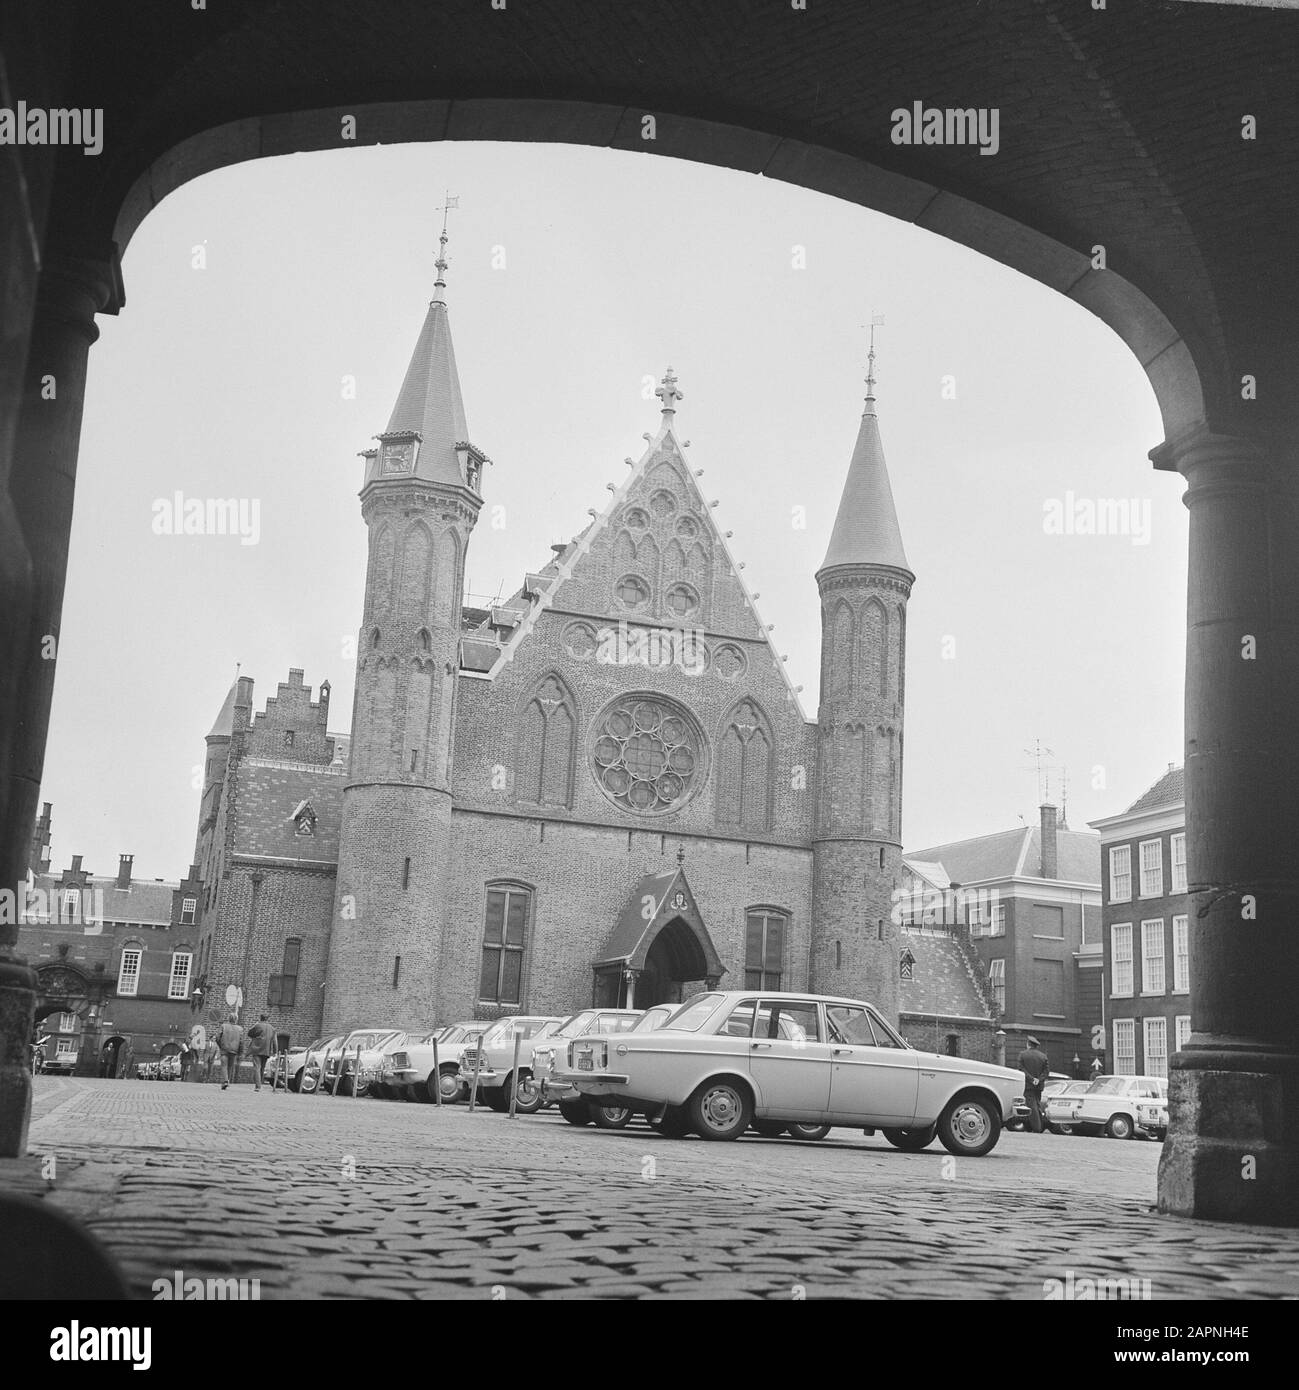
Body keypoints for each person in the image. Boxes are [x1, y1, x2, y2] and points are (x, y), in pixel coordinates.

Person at [1017, 1035, 1051, 1134]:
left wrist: (1031, 1079)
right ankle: (1039, 1125)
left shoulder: (1022, 1054)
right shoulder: (1043, 1056)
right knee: (1037, 1105)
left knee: (1032, 1106)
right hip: (1039, 1086)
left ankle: (1037, 1128)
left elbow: (1021, 1069)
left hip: (1028, 1085)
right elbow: (1046, 1071)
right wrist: (1039, 1080)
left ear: (1028, 1044)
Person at [245, 1014, 274, 1093]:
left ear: (260, 1018)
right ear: (267, 1019)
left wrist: (255, 1025)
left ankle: (258, 1086)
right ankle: (260, 1084)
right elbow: (274, 1041)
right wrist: (275, 1051)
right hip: (266, 1050)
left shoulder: (258, 1025)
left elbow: (249, 1033)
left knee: (257, 1067)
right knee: (262, 1068)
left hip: (257, 1049)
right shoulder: (272, 1028)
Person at [216, 1013, 245, 1091]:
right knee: (230, 1066)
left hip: (224, 1049)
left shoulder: (223, 1026)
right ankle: (226, 1081)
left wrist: (221, 1045)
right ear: (236, 1019)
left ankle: (225, 1081)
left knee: (224, 1066)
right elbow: (241, 1042)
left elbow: (217, 1037)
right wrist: (240, 1052)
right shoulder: (240, 1029)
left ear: (229, 1018)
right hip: (234, 1050)